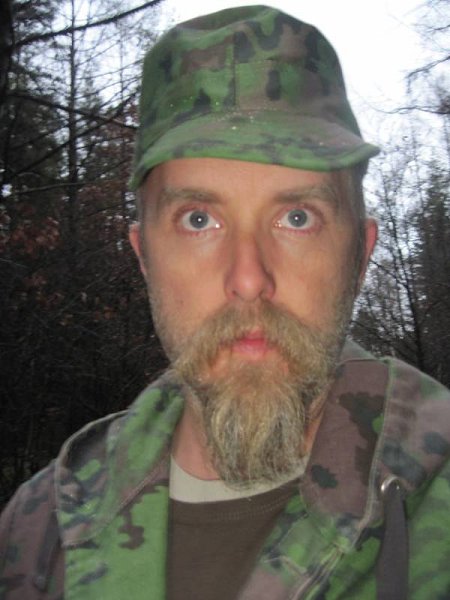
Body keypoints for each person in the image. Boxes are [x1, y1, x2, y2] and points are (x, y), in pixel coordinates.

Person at [1, 5, 449, 600]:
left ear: (359, 254)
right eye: (198, 219)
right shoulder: (35, 533)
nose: (248, 279)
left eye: (297, 217)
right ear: (144, 256)